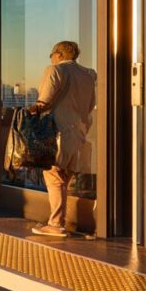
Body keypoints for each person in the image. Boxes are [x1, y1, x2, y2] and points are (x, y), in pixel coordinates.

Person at [28, 41, 96, 237]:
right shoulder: (88, 74)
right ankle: (62, 221)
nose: (50, 58)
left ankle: (56, 224)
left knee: (54, 176)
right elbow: (91, 104)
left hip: (58, 131)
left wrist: (27, 112)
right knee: (65, 177)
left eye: (51, 54)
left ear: (58, 54)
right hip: (80, 130)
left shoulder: (55, 69)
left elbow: (44, 101)